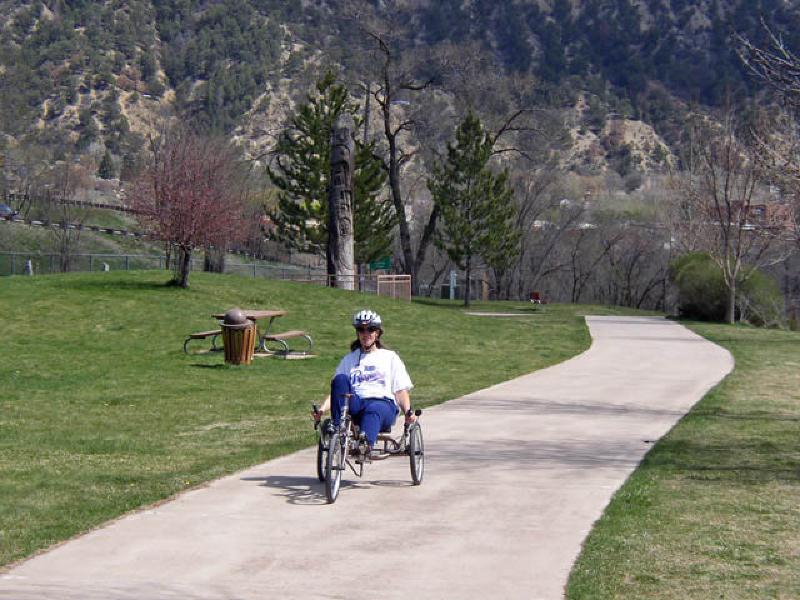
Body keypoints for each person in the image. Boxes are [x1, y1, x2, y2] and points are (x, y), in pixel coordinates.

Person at [313, 309, 415, 453]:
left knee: (373, 409)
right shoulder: (349, 359)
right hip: (356, 403)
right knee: (340, 379)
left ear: (377, 333)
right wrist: (322, 410)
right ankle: (335, 430)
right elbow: (337, 392)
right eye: (361, 330)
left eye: (370, 329)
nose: (366, 334)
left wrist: (408, 412)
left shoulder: (390, 357)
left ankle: (364, 444)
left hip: (383, 404)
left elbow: (400, 390)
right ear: (357, 333)